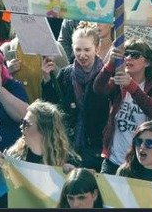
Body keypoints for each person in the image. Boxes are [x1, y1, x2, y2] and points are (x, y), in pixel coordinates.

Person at [93, 39, 152, 174]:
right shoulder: (118, 81)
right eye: (126, 54)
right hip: (113, 160)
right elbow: (98, 89)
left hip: (141, 164)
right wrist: (110, 64)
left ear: (147, 62)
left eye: (135, 55)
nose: (128, 58)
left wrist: (131, 86)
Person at [41, 24, 107, 171]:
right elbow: (52, 106)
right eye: (78, 49)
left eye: (87, 50)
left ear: (97, 48)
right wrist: (46, 79)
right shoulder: (65, 74)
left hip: (97, 148)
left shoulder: (105, 75)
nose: (82, 55)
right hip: (70, 146)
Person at [6, 100, 80, 167]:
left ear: (43, 131)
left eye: (26, 124)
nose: (21, 127)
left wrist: (70, 174)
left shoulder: (70, 162)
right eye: (22, 122)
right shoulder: (14, 156)